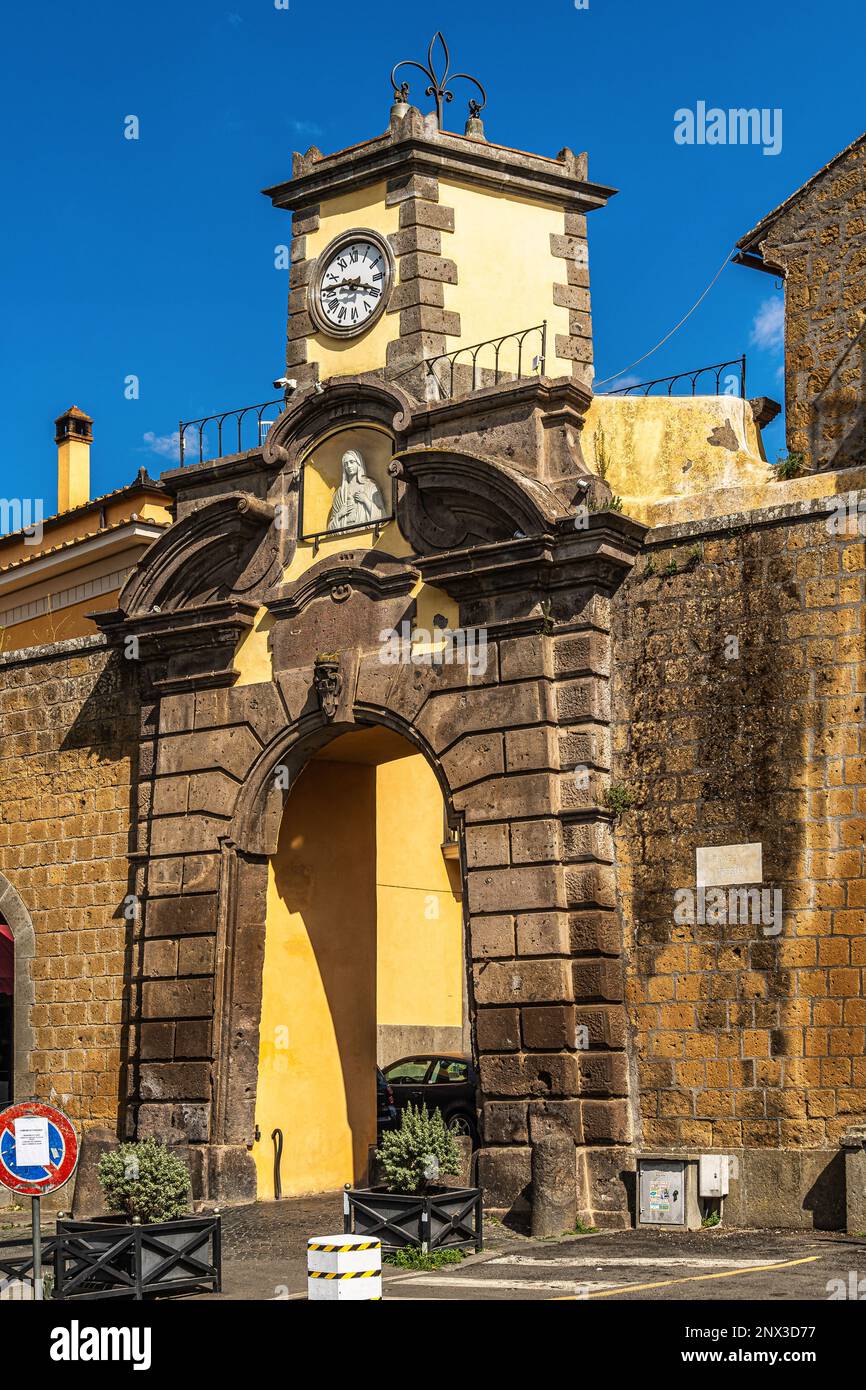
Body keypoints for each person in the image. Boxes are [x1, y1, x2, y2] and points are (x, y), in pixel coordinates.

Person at [326, 449, 387, 532]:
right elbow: (330, 529)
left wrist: (366, 500)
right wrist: (340, 514)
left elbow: (382, 516)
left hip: (365, 533)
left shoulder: (370, 486)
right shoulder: (340, 492)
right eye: (346, 464)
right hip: (344, 535)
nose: (349, 466)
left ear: (358, 463)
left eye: (351, 462)